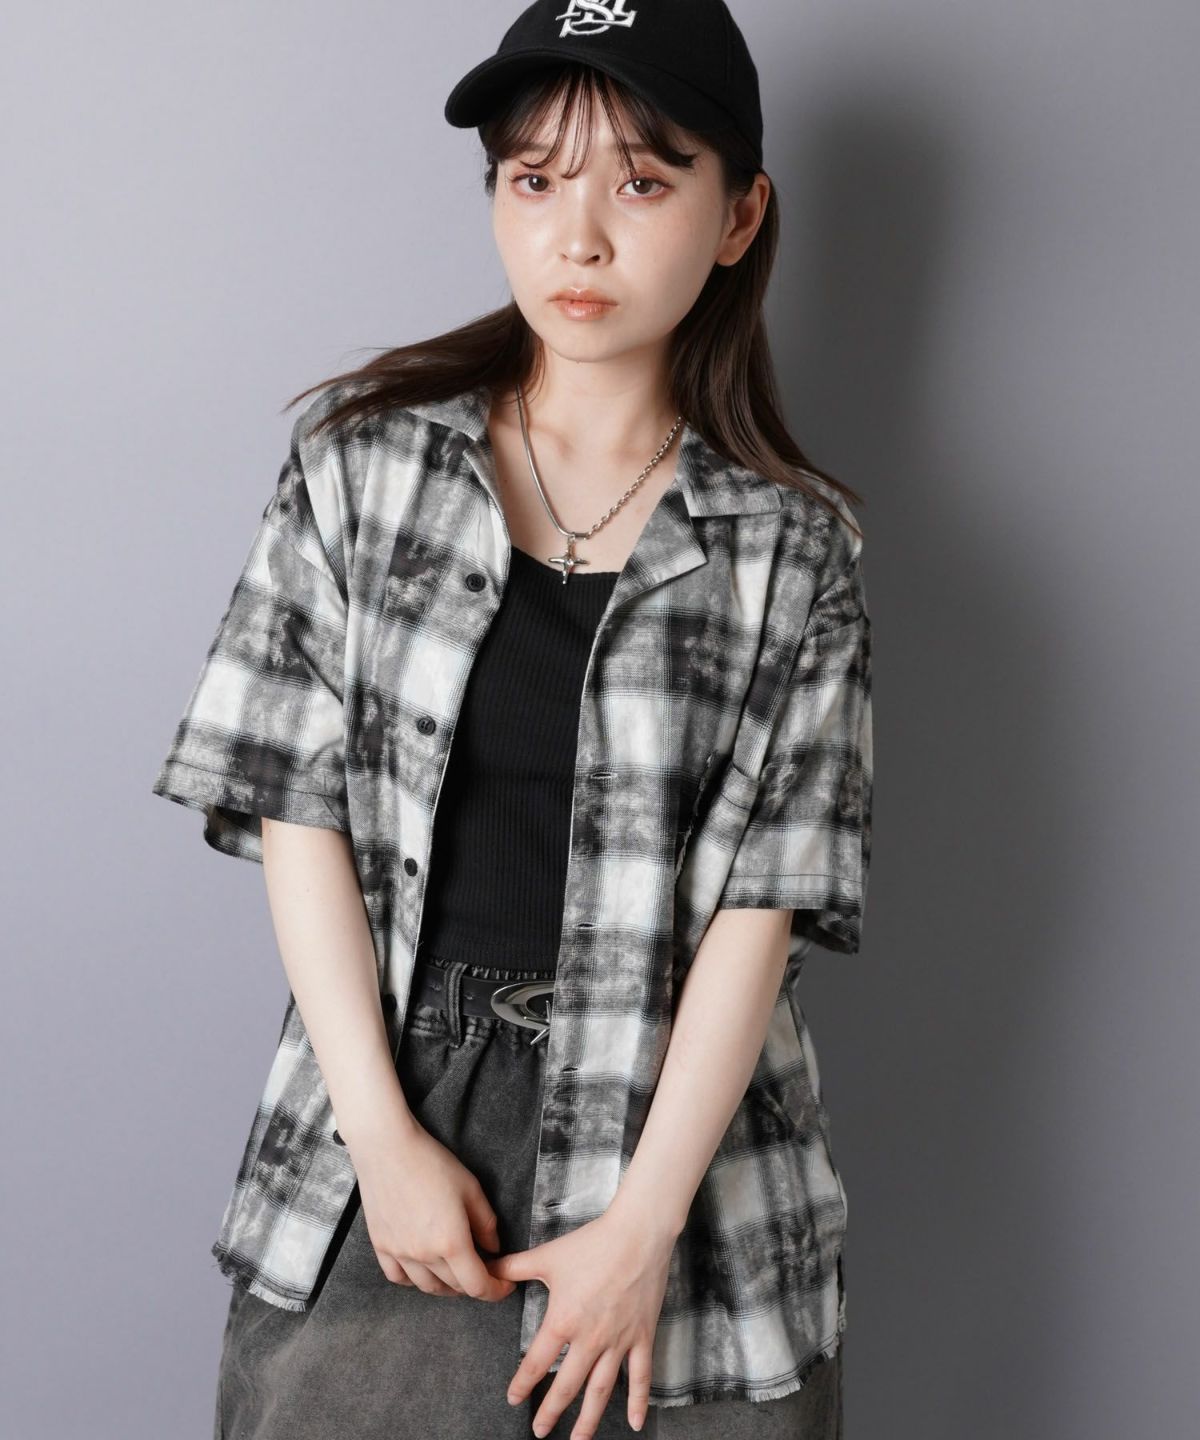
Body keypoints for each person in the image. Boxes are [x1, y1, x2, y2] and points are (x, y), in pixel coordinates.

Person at [150, 2, 873, 1436]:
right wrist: (382, 1141)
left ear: (739, 217)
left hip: (691, 1169)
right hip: (396, 1124)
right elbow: (296, 812)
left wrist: (643, 1228)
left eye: (643, 182)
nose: (577, 237)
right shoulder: (360, 472)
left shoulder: (795, 553)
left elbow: (764, 908)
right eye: (534, 179)